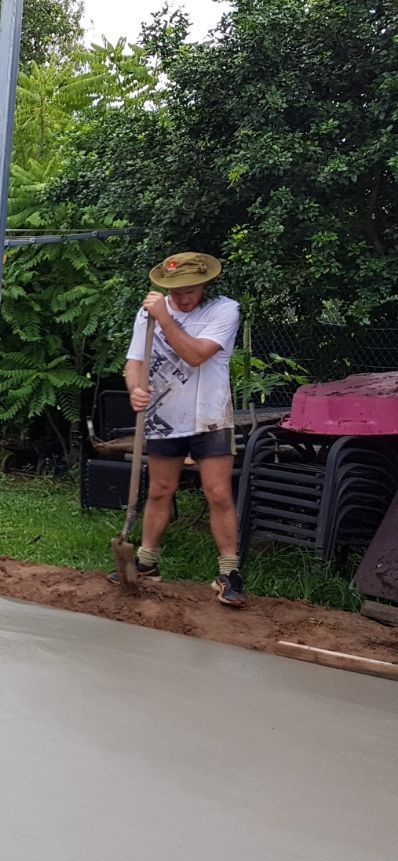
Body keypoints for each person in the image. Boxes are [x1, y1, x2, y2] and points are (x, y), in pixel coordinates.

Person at [117, 251, 246, 607]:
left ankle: (229, 572)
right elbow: (135, 361)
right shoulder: (148, 313)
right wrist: (136, 389)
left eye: (189, 291)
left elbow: (195, 354)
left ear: (204, 285)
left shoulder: (224, 310)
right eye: (175, 292)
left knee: (217, 492)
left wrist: (164, 316)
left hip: (210, 415)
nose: (182, 299)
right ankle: (145, 563)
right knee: (160, 490)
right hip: (163, 417)